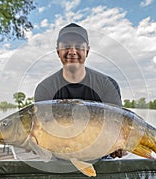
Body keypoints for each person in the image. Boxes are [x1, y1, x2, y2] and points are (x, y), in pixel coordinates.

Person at [34, 23, 125, 158]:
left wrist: (122, 146)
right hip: (60, 160)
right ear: (58, 51)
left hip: (101, 159)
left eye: (78, 46)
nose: (72, 51)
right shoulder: (45, 88)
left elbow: (119, 127)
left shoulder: (108, 84)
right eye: (66, 46)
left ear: (87, 51)